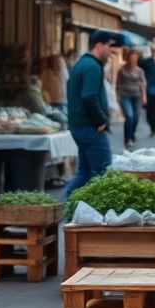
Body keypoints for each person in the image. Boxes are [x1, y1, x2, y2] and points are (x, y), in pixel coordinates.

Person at [65, 30, 125, 197]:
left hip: (80, 127)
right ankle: (99, 212)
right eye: (108, 47)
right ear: (99, 46)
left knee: (85, 173)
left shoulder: (82, 63)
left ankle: (65, 207)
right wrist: (100, 120)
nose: (110, 52)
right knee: (103, 172)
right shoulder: (92, 67)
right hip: (90, 127)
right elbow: (89, 97)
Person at [116, 48, 147, 150]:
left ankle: (131, 133)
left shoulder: (140, 71)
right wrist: (117, 96)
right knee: (129, 116)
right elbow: (118, 83)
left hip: (136, 96)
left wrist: (144, 96)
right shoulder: (122, 70)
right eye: (132, 58)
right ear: (128, 59)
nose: (134, 60)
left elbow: (143, 84)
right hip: (125, 95)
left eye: (135, 58)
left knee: (136, 117)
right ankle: (127, 139)